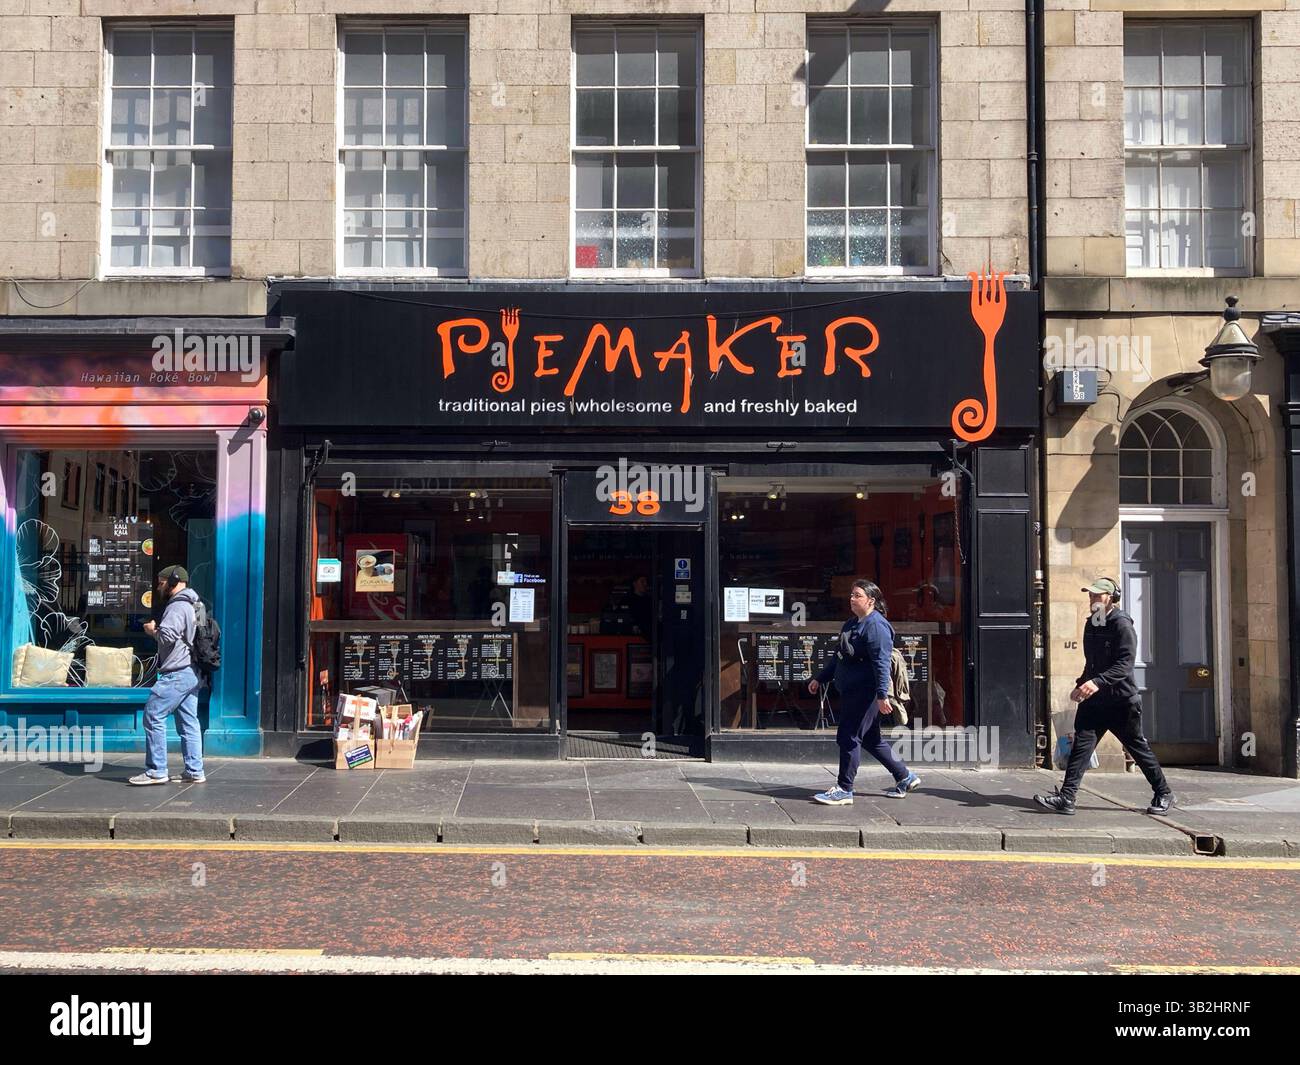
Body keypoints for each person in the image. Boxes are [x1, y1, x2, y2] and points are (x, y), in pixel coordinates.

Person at [1035, 577, 1173, 815]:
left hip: (1121, 702)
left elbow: (1125, 665)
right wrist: (1082, 684)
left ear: (1111, 598)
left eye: (1097, 595)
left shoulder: (1122, 625)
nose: (1092, 599)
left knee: (1137, 748)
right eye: (1090, 595)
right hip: (1095, 702)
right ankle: (1067, 798)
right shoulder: (1091, 624)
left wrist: (1097, 682)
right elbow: (1092, 663)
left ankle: (1164, 793)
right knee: (1081, 748)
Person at [808, 579, 920, 804]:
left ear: (871, 600)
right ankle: (905, 776)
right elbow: (839, 657)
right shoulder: (851, 624)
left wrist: (881, 695)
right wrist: (820, 678)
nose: (852, 598)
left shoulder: (876, 626)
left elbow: (881, 663)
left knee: (848, 736)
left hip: (866, 693)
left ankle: (844, 789)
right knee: (870, 738)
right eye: (851, 595)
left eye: (857, 595)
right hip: (852, 690)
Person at [129, 565, 206, 785]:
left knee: (153, 715)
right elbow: (199, 635)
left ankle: (156, 770)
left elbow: (167, 637)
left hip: (177, 672)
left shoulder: (177, 606)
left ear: (173, 582)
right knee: (189, 722)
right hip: (193, 671)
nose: (158, 586)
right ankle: (194, 770)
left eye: (161, 582)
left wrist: (152, 630)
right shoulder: (197, 603)